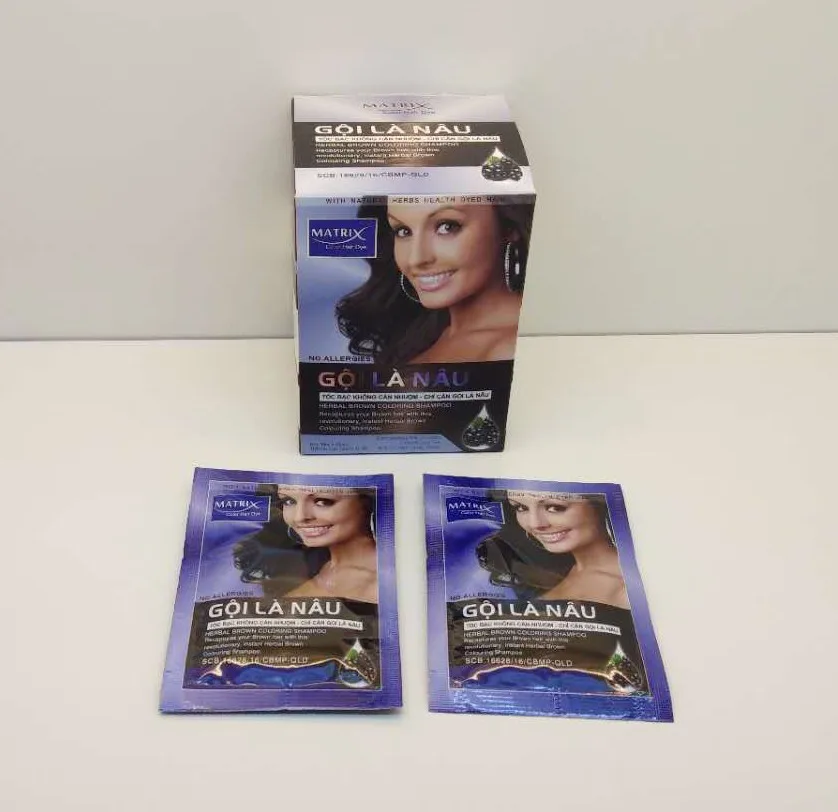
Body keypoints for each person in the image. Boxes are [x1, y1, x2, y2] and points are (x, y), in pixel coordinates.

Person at [336, 200, 534, 366]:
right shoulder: (422, 334)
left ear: (507, 226)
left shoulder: (512, 347)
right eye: (403, 231)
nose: (416, 259)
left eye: (447, 226)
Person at [477, 490, 629, 609]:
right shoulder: (545, 573)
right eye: (521, 508)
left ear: (598, 505)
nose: (535, 524)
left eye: (555, 507)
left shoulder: (625, 590)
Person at [233, 486, 378, 603]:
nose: (299, 517)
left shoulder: (382, 581)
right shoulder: (301, 565)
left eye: (322, 501)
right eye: (288, 501)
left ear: (366, 503)